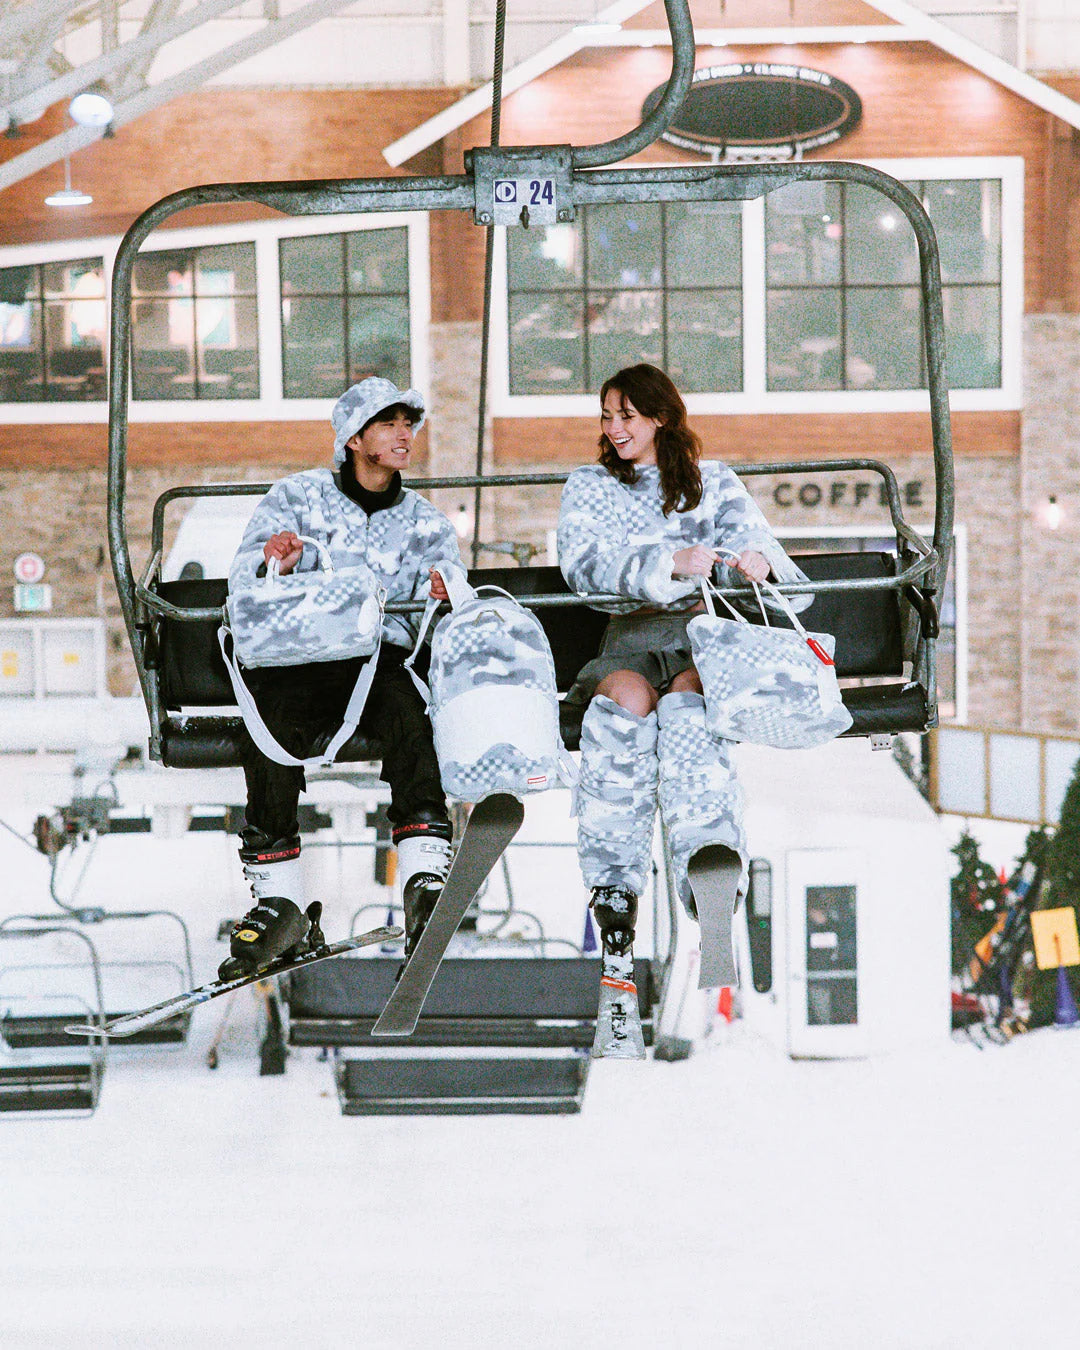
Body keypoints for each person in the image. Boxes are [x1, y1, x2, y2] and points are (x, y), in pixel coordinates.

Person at [557, 363, 811, 972]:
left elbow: (758, 545)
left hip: (701, 638)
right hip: (629, 634)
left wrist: (754, 562)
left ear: (660, 418)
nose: (615, 428)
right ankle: (615, 881)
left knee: (689, 700)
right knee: (626, 700)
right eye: (608, 416)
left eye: (628, 416)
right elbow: (582, 565)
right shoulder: (591, 485)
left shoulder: (712, 482)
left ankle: (708, 857)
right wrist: (669, 563)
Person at [220, 377, 460, 980]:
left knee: (409, 712)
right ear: (354, 438)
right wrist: (276, 560)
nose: (405, 435)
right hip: (301, 657)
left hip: (375, 663)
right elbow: (246, 575)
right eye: (389, 424)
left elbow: (451, 584)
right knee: (266, 726)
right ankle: (278, 896)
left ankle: (425, 872)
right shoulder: (296, 498)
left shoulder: (425, 522)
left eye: (409, 424)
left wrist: (443, 589)